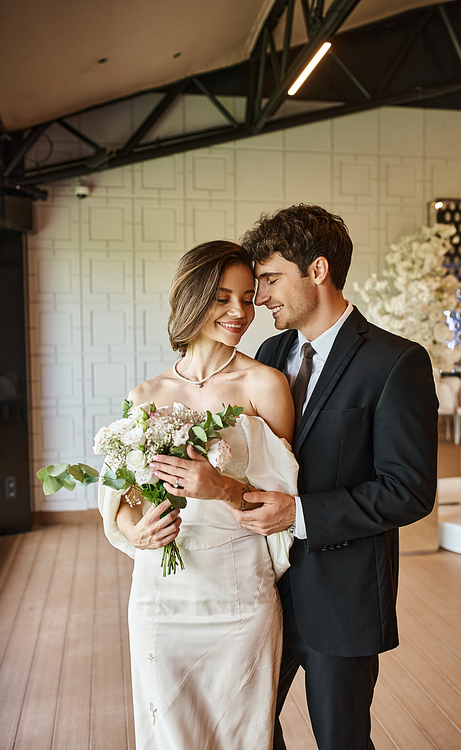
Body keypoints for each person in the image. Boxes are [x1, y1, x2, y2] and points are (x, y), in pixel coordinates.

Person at [225, 204, 437, 750]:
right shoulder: (270, 353)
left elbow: (408, 490)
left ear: (317, 271)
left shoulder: (396, 362)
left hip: (343, 596)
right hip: (263, 586)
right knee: (246, 728)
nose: (261, 298)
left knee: (340, 740)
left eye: (270, 280)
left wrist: (298, 515)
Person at [98, 240, 299, 750]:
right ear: (193, 296)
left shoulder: (265, 385)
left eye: (249, 298)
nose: (240, 312)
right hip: (160, 599)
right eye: (223, 297)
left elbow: (284, 501)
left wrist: (223, 489)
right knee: (168, 732)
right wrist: (135, 531)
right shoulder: (144, 396)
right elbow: (122, 495)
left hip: (236, 591)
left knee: (240, 731)